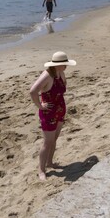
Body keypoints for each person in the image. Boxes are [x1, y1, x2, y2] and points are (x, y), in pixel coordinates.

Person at [30, 51, 77, 180]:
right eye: (64, 64)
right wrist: (40, 105)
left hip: (60, 110)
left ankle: (50, 162)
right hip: (48, 113)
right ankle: (41, 170)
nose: (66, 66)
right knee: (47, 142)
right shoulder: (47, 75)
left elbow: (63, 87)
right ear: (57, 64)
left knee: (54, 139)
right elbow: (33, 91)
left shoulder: (61, 73)